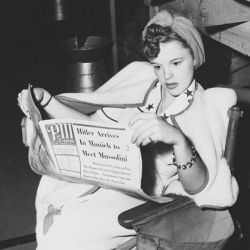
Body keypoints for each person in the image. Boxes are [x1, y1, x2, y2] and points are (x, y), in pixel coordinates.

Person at [18, 9, 239, 250]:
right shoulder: (145, 82)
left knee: (67, 230)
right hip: (111, 178)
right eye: (157, 66)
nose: (167, 75)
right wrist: (48, 102)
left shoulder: (203, 106)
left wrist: (178, 140)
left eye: (176, 63)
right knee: (55, 205)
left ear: (195, 57)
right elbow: (94, 128)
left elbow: (199, 187)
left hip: (147, 202)